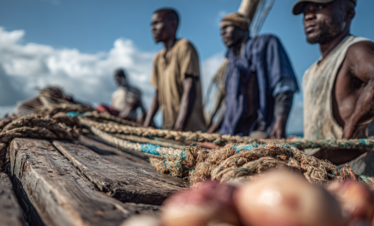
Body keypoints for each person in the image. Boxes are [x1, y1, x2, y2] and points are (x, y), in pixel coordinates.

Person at [293, 0, 374, 175]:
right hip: (319, 172)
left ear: (348, 14)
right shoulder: (310, 72)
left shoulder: (356, 49)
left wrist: (353, 124)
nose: (309, 16)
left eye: (320, 7)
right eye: (306, 11)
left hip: (357, 176)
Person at [208, 13, 298, 138]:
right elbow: (229, 103)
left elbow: (283, 86)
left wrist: (279, 124)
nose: (222, 33)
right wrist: (211, 131)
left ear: (243, 26)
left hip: (259, 130)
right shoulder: (231, 62)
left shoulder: (266, 44)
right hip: (231, 133)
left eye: (227, 27)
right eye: (221, 30)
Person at [143, 8, 207, 132]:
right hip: (168, 129)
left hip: (189, 131)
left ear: (173, 24)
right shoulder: (157, 59)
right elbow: (157, 94)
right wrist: (146, 124)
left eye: (157, 23)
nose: (153, 28)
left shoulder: (184, 48)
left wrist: (179, 128)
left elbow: (190, 89)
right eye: (151, 25)